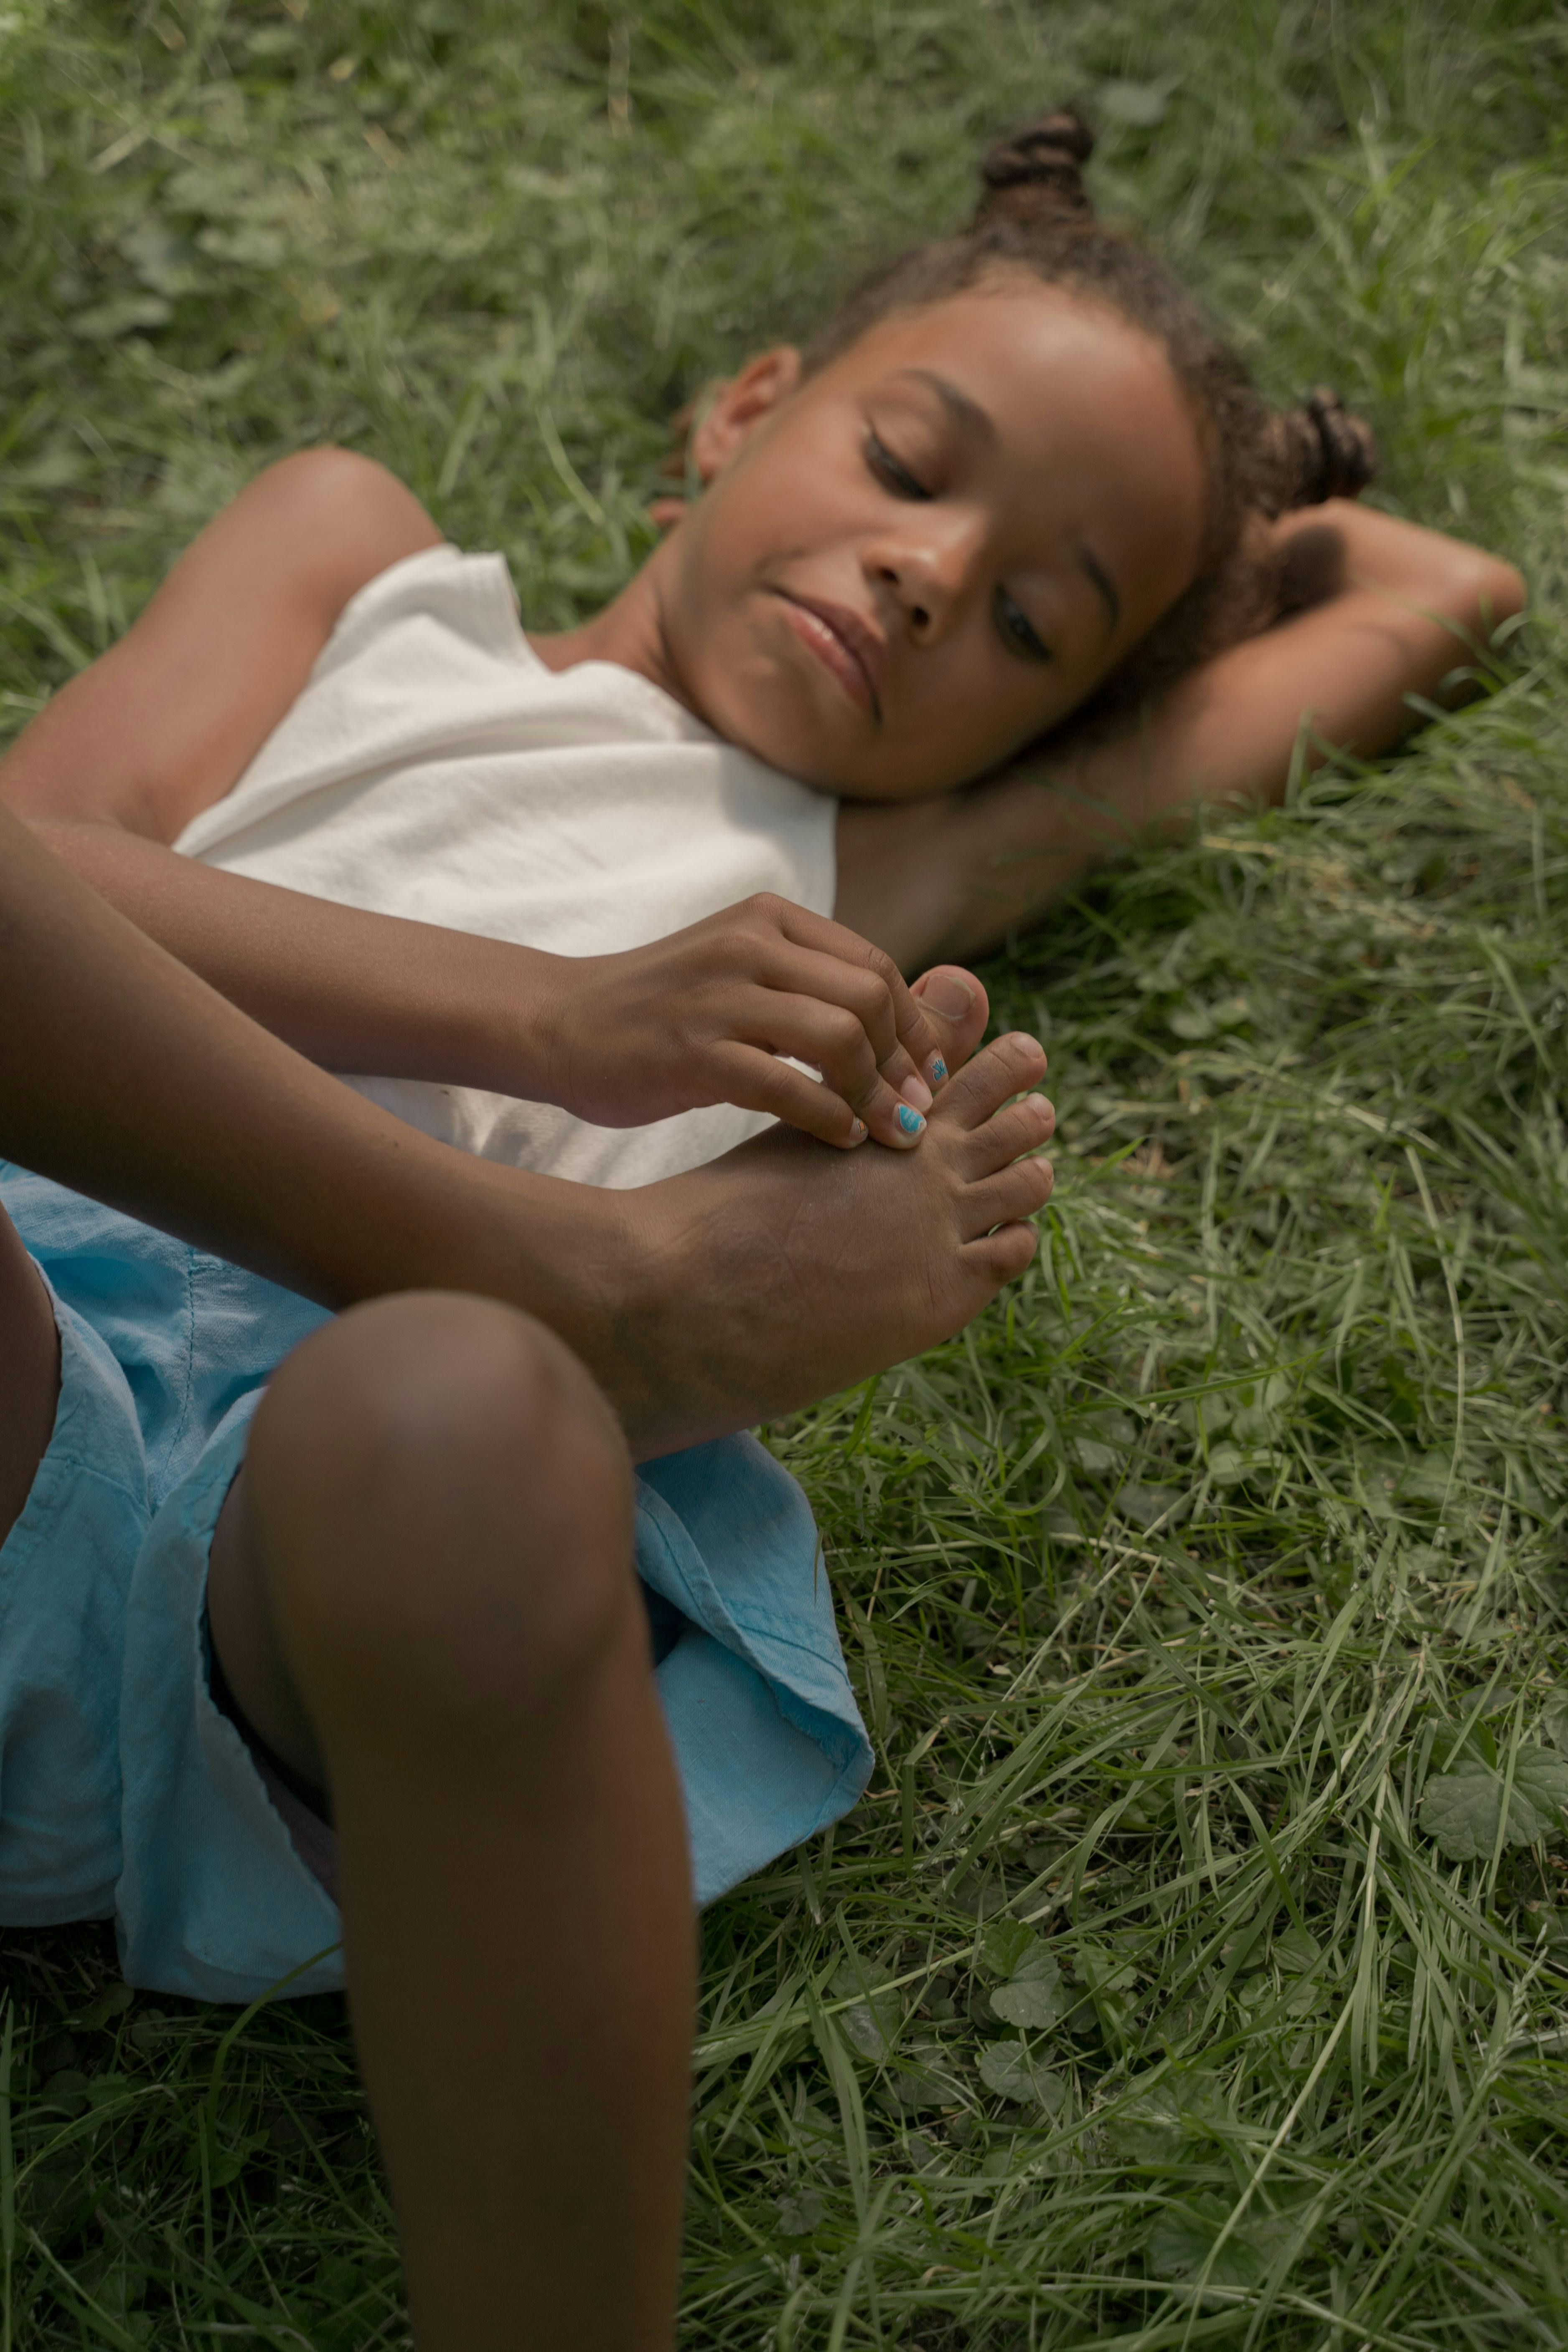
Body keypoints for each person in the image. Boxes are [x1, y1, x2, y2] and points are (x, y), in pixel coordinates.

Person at [0, 107, 1524, 2348]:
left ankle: (531, 1316)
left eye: (1032, 620)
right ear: (740, 410)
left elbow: (1439, 603)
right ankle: (570, 1280)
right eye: (915, 462)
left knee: (454, 1410)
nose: (932, 576)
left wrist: (1277, 498)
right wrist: (552, 1020)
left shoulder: (851, 881)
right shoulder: (363, 559)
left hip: (250, 1574)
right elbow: (48, 855)